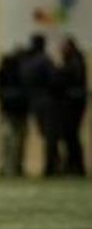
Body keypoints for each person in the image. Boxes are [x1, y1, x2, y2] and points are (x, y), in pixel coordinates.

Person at [20, 34, 60, 176]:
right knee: (51, 136)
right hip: (48, 101)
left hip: (34, 102)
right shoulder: (44, 61)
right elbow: (54, 81)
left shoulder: (27, 62)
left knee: (45, 134)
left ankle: (51, 165)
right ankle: (51, 167)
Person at [0, 46, 29, 177]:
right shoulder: (21, 72)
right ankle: (12, 166)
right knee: (14, 140)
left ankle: (7, 166)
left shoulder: (4, 72)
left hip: (10, 111)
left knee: (9, 140)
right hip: (15, 111)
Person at [57, 36, 87, 176]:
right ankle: (73, 165)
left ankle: (76, 166)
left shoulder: (74, 61)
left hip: (73, 103)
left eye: (63, 47)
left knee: (71, 135)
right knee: (70, 135)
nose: (61, 50)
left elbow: (72, 80)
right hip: (73, 102)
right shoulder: (74, 60)